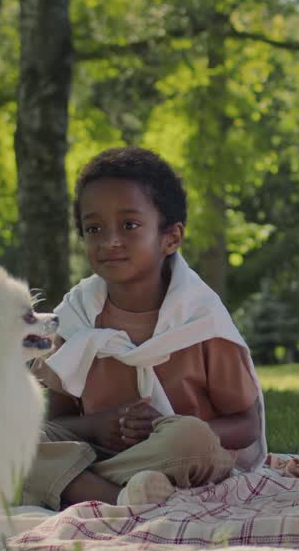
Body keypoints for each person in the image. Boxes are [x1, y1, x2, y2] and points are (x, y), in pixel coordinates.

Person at [21, 147, 265, 509]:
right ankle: (126, 495)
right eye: (94, 228)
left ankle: (86, 491)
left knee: (190, 436)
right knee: (13, 436)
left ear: (171, 238)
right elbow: (60, 420)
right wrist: (100, 425)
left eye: (130, 225)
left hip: (180, 455)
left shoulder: (201, 319)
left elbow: (246, 424)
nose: (110, 241)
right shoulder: (76, 316)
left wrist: (162, 426)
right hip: (98, 451)